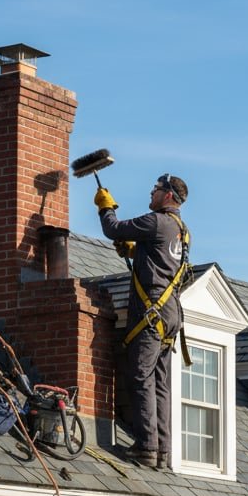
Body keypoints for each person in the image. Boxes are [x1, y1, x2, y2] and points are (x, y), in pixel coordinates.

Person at [94, 174, 190, 469]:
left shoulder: (156, 221)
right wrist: (137, 251)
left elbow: (113, 229)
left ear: (168, 195)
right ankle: (161, 451)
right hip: (170, 314)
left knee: (140, 374)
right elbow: (166, 260)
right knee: (160, 382)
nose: (151, 192)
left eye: (156, 189)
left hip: (152, 312)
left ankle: (147, 446)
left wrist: (105, 207)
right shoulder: (181, 230)